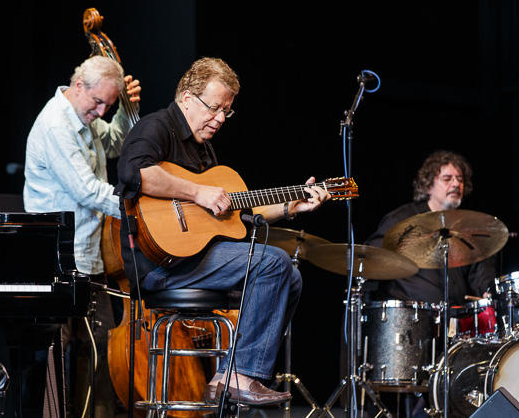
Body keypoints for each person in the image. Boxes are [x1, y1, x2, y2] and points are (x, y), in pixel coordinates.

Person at [114, 57, 331, 406]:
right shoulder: (155, 127)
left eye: (226, 112)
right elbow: (135, 175)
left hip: (194, 258)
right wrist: (197, 192)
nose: (219, 119)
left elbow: (236, 216)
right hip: (159, 266)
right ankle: (237, 374)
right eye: (213, 108)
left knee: (291, 276)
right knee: (273, 262)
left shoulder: (204, 150)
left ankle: (234, 375)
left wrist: (291, 206)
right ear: (187, 97)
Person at [23, 55, 141, 417]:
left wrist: (127, 109)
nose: (102, 112)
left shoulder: (83, 116)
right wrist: (137, 209)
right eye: (99, 103)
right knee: (56, 360)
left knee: (99, 353)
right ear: (78, 86)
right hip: (58, 259)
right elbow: (88, 191)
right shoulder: (58, 125)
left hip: (90, 257)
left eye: (109, 104)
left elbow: (116, 142)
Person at [365, 150, 496, 305]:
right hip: (407, 318)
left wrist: (488, 292)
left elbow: (480, 275)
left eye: (460, 179)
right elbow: (369, 260)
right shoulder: (402, 220)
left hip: (455, 320)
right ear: (428, 186)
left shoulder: (466, 226)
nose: (456, 184)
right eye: (447, 179)